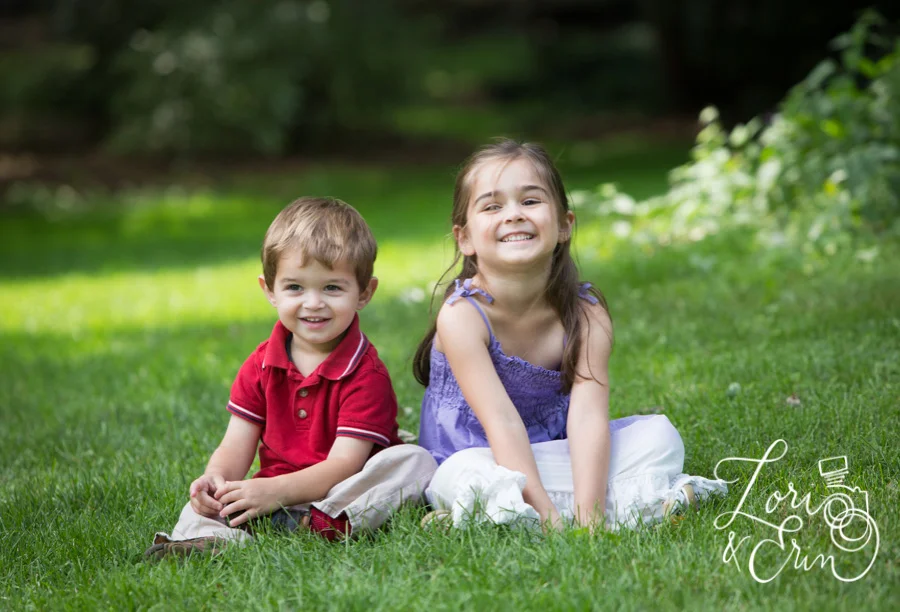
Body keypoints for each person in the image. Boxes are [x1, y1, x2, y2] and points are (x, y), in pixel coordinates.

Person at [413, 139, 727, 531]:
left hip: (553, 454)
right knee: (468, 475)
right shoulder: (462, 316)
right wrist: (550, 520)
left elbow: (588, 418)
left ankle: (499, 516)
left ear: (564, 224)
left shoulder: (586, 314)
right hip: (477, 454)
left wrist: (589, 517)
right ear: (465, 239)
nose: (513, 215)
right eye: (492, 206)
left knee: (660, 436)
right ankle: (637, 502)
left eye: (530, 201)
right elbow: (502, 424)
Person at [146, 197, 437, 559]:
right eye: (295, 288)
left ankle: (327, 526)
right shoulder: (260, 365)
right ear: (269, 290)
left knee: (414, 460)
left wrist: (277, 492)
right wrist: (215, 480)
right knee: (204, 505)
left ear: (364, 292)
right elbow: (235, 447)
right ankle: (209, 542)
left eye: (332, 288)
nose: (313, 303)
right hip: (270, 497)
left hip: (339, 491)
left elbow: (345, 464)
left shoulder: (365, 373)